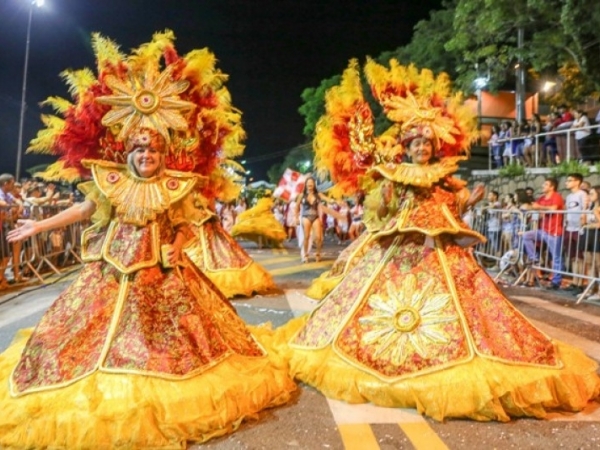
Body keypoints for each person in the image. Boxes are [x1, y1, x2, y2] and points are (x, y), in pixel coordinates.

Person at [0, 33, 295, 449]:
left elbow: (185, 224)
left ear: (163, 154)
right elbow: (84, 211)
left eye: (153, 152)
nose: (145, 157)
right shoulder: (111, 181)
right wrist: (37, 227)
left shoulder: (175, 186)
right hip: (110, 270)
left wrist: (177, 245)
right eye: (139, 152)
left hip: (162, 273)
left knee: (173, 342)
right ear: (128, 153)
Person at [270, 59, 600, 422]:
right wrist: (390, 189)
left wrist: (466, 202)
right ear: (408, 148)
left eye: (428, 145)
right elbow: (384, 208)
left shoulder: (444, 176)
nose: (422, 150)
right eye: (417, 145)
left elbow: (447, 204)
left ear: (434, 148)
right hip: (401, 252)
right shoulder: (398, 172)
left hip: (443, 254)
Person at [183, 193, 276, 298]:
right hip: (202, 224)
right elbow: (211, 205)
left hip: (196, 225)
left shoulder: (182, 186)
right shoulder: (206, 186)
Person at [522, 178, 565, 290]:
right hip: (543, 230)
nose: (542, 186)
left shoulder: (556, 196)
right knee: (526, 235)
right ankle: (534, 257)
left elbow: (554, 209)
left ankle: (556, 281)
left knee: (556, 257)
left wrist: (539, 207)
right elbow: (536, 209)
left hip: (554, 231)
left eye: (546, 184)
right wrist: (528, 207)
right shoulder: (541, 197)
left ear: (552, 187)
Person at [295, 176, 329, 262]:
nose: (310, 184)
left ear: (314, 184)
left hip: (315, 217)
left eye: (312, 182)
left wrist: (335, 201)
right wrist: (296, 218)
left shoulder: (318, 195)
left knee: (318, 237)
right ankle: (305, 255)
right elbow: (297, 207)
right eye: (308, 182)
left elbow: (328, 199)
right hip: (305, 217)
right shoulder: (302, 195)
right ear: (306, 184)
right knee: (306, 236)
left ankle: (318, 253)